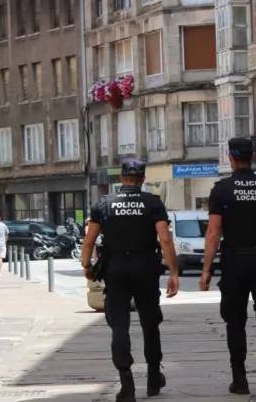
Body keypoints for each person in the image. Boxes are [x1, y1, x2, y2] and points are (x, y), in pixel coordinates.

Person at [199, 137, 256, 401]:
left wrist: (206, 270)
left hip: (234, 262)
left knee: (235, 321)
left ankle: (240, 380)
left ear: (230, 158)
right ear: (252, 157)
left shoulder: (221, 190)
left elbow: (214, 233)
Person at [80, 158, 180, 402]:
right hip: (145, 268)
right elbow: (165, 240)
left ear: (121, 177)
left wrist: (86, 266)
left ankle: (127, 383)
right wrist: (174, 272)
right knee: (150, 322)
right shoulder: (153, 202)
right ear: (143, 178)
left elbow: (90, 240)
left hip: (115, 270)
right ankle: (154, 376)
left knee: (120, 325)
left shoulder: (105, 203)